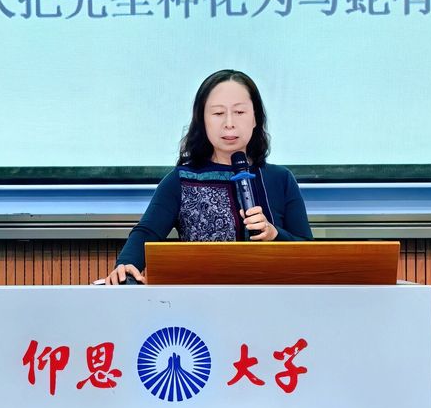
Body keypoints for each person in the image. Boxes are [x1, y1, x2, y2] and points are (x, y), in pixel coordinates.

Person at [105, 69, 312, 284]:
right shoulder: (181, 180)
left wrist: (274, 234)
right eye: (218, 113)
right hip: (202, 298)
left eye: (239, 112)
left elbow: (308, 254)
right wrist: (126, 264)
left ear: (255, 118)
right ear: (202, 120)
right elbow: (146, 232)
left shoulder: (280, 179)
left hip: (274, 298)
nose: (229, 123)